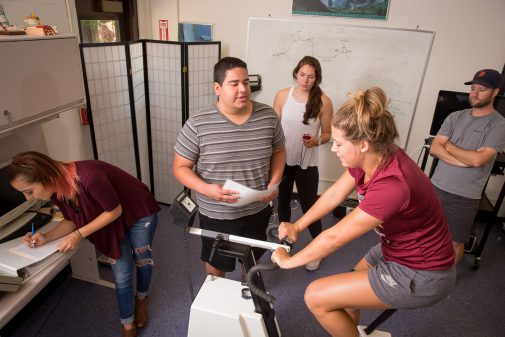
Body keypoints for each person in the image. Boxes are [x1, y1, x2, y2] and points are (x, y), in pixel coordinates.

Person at [271, 87, 456, 337]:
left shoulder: (392, 185)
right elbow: (333, 196)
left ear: (364, 144)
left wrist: (289, 261)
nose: (333, 148)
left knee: (315, 296)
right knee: (346, 298)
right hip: (396, 248)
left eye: (338, 143)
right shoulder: (372, 158)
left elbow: (334, 239)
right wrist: (298, 226)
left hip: (422, 272)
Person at [8, 152, 160, 337]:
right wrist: (46, 237)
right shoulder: (56, 188)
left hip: (137, 211)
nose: (28, 198)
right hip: (111, 216)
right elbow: (73, 219)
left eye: (29, 191)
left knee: (142, 260)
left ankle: (142, 299)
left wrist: (78, 235)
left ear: (45, 176)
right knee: (122, 277)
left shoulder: (89, 177)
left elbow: (114, 211)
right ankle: (127, 324)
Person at [173, 56, 286, 278]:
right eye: (234, 84)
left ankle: (252, 294)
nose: (243, 89)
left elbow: (279, 151)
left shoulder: (268, 117)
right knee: (217, 264)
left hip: (257, 208)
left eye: (246, 82)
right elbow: (180, 168)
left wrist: (274, 183)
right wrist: (207, 190)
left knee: (252, 260)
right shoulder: (197, 124)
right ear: (217, 88)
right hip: (217, 213)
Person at [430, 68, 505, 265]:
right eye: (473, 88)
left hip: (465, 196)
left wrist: (450, 145)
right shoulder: (455, 116)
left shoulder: (499, 125)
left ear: (495, 92)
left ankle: (443, 282)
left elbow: (479, 161)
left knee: (454, 243)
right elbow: (436, 147)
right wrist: (466, 158)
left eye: (482, 89)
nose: (475, 93)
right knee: (423, 233)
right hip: (436, 187)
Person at [272, 56, 333, 271]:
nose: (305, 80)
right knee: (283, 205)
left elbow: (327, 134)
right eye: (302, 75)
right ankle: (284, 247)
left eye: (311, 76)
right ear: (296, 73)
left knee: (310, 208)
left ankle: (318, 250)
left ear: (317, 79)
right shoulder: (282, 96)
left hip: (307, 163)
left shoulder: (323, 101)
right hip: (282, 160)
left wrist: (316, 141)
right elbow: (274, 129)